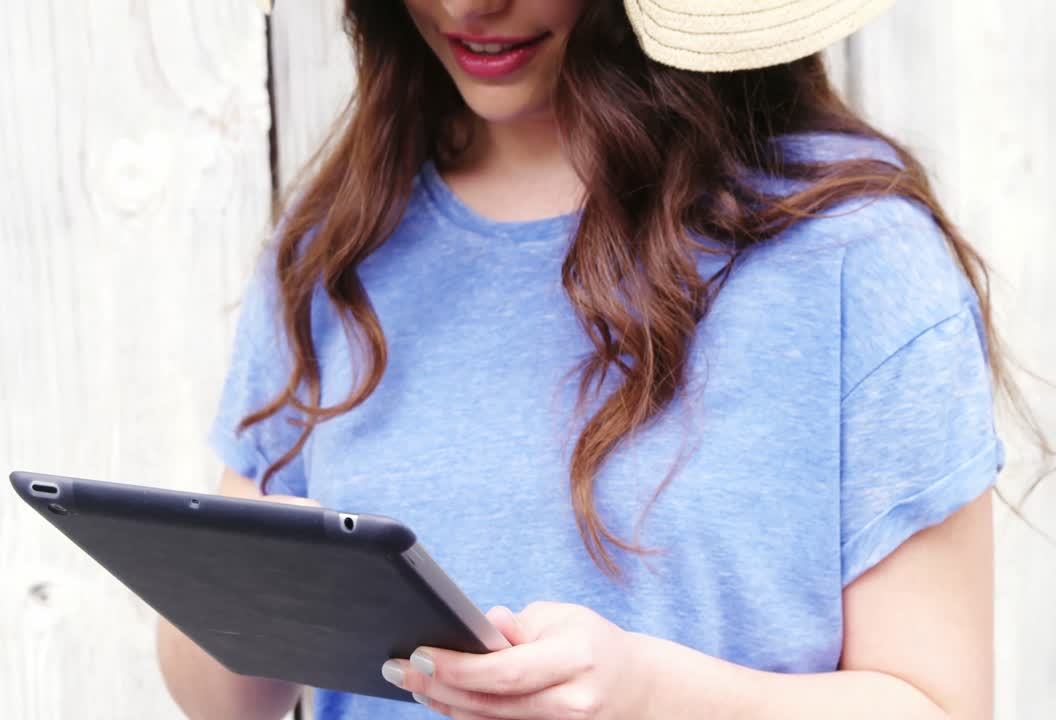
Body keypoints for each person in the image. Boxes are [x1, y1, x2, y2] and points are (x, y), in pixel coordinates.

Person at [159, 1, 1011, 718]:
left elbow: (935, 703)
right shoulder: (337, 243)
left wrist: (652, 695)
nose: (465, 5)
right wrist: (252, 597)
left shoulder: (853, 254)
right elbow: (224, 698)